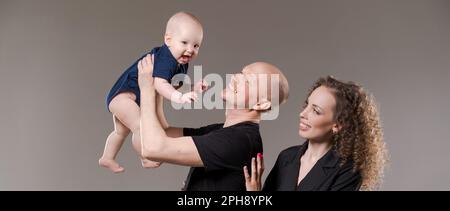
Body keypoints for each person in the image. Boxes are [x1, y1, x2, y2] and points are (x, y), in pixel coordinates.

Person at [137, 54, 290, 190]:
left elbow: (152, 148)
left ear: (261, 104)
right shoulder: (223, 131)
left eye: (248, 80)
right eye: (242, 72)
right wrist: (158, 87)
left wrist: (147, 89)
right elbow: (160, 134)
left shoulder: (239, 140)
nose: (236, 76)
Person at [100, 12, 207, 173]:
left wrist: (191, 88)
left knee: (120, 131)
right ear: (168, 40)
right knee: (142, 127)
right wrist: (179, 97)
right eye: (184, 42)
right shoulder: (167, 58)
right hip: (122, 96)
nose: (190, 50)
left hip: (130, 97)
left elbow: (172, 86)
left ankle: (107, 157)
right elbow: (159, 84)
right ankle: (146, 157)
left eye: (196, 45)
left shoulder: (181, 62)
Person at [244, 76, 388, 191]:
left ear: (337, 125)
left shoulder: (349, 171)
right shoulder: (286, 157)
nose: (302, 114)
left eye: (316, 111)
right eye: (306, 105)